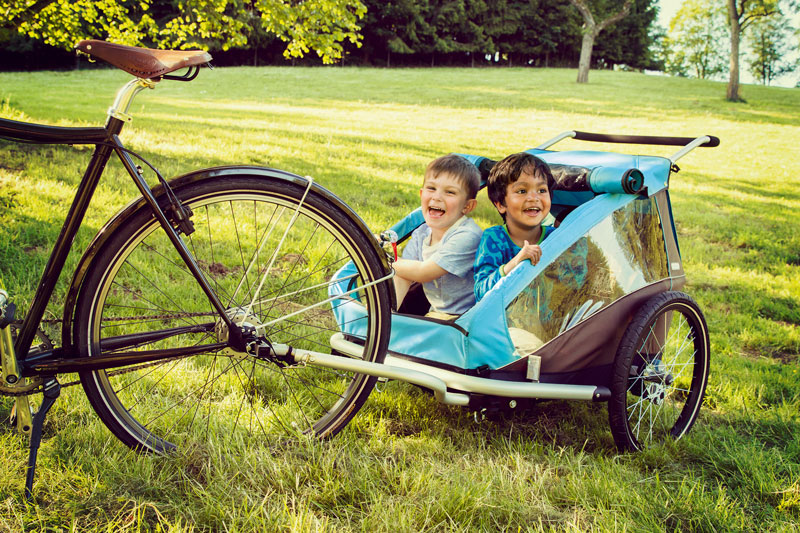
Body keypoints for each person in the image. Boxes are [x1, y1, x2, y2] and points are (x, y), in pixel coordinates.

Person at [392, 154, 482, 320]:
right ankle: (378, 319)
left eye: (450, 192)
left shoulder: (468, 235)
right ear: (421, 194)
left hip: (466, 319)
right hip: (437, 312)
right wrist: (382, 314)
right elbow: (403, 272)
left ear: (467, 206)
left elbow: (422, 272)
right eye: (431, 188)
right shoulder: (422, 234)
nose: (437, 197)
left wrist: (380, 258)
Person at [474, 152, 556, 301]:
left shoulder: (555, 238)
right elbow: (481, 292)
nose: (533, 198)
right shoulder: (494, 239)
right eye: (522, 191)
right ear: (501, 205)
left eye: (542, 190)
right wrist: (515, 263)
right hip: (502, 322)